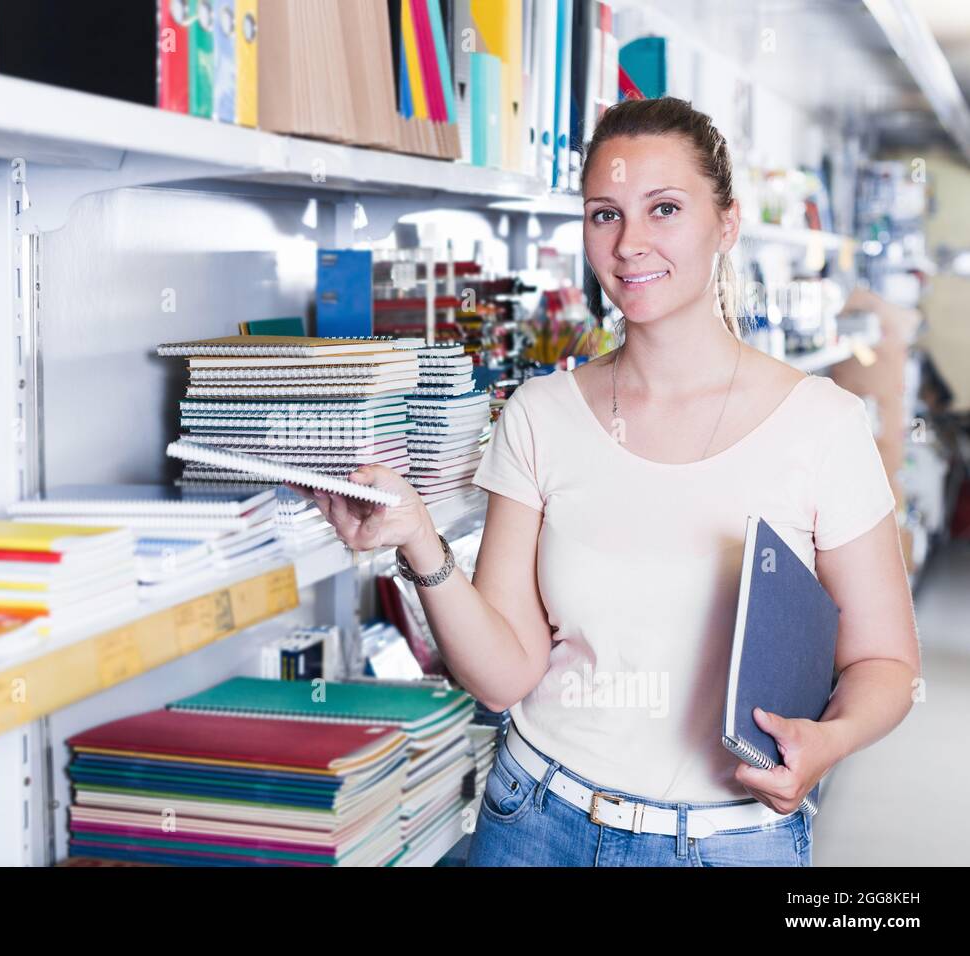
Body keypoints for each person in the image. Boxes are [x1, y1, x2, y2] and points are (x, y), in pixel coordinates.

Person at [286, 96, 921, 867]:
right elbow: (504, 676)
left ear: (726, 224)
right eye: (604, 214)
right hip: (536, 819)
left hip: (728, 842)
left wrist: (831, 741)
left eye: (664, 209)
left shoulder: (821, 424)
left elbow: (885, 662)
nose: (630, 244)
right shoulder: (539, 414)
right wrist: (420, 541)